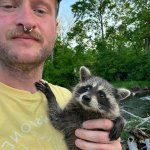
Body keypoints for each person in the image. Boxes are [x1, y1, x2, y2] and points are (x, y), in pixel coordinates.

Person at [0, 0, 122, 149]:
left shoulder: (65, 95)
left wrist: (118, 124)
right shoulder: (71, 101)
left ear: (56, 29)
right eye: (8, 6)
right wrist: (50, 95)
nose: (27, 22)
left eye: (40, 10)